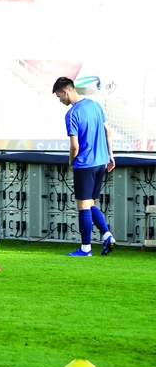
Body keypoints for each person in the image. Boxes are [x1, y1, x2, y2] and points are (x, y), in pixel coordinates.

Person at [53, 76, 116, 256]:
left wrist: (71, 161)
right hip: (100, 163)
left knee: (83, 206)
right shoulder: (95, 105)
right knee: (90, 203)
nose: (60, 101)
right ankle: (107, 235)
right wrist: (110, 155)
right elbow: (108, 131)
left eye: (59, 96)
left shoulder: (72, 113)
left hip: (85, 164)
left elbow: (74, 146)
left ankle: (86, 248)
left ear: (65, 91)